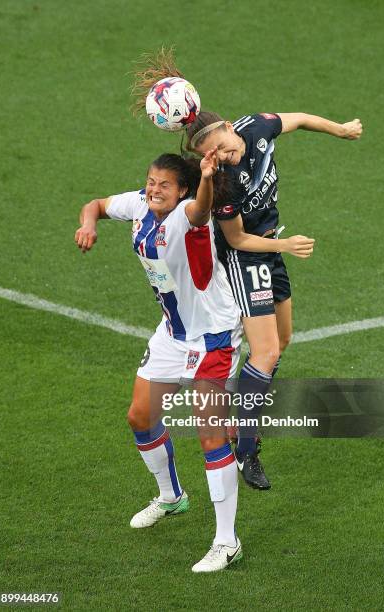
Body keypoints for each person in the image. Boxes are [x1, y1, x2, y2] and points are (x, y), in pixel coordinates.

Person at [75, 151, 313, 572]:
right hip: (172, 335)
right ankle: (171, 497)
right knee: (139, 416)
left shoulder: (188, 214)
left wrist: (206, 178)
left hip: (213, 339)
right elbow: (94, 205)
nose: (153, 189)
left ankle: (227, 542)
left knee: (210, 437)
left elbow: (203, 207)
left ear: (181, 189)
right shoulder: (137, 205)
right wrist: (88, 224)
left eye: (163, 184)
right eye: (150, 181)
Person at [130, 49, 325, 491]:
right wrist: (286, 245)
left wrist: (340, 129)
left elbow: (294, 119)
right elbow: (235, 241)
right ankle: (246, 446)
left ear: (229, 128)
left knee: (283, 340)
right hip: (245, 257)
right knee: (267, 352)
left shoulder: (252, 129)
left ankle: (242, 410)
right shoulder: (225, 183)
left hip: (270, 248)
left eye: (220, 145)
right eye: (212, 153)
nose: (222, 153)